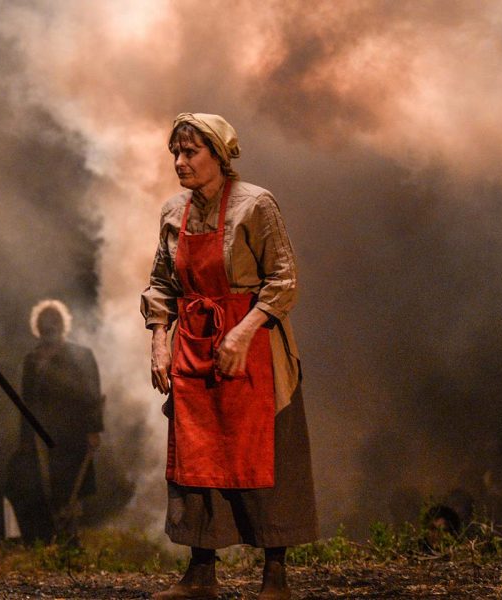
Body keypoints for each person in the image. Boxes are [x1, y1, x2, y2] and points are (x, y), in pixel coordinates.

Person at [142, 113, 317, 600]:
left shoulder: (255, 205)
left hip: (254, 347)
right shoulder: (174, 212)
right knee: (196, 454)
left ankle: (275, 577)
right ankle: (200, 573)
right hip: (195, 347)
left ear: (218, 156)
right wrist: (160, 338)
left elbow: (283, 280)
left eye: (190, 152)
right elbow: (161, 283)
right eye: (175, 152)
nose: (180, 162)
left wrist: (242, 334)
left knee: (266, 454)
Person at [4, 300, 104, 543]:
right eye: (45, 323)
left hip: (73, 431)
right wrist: (25, 439)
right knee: (41, 486)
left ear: (62, 324)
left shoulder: (81, 355)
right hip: (42, 435)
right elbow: (26, 403)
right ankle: (45, 538)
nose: (50, 327)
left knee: (70, 487)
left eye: (54, 322)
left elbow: (93, 394)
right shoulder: (32, 360)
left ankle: (69, 540)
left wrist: (93, 430)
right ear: (38, 327)